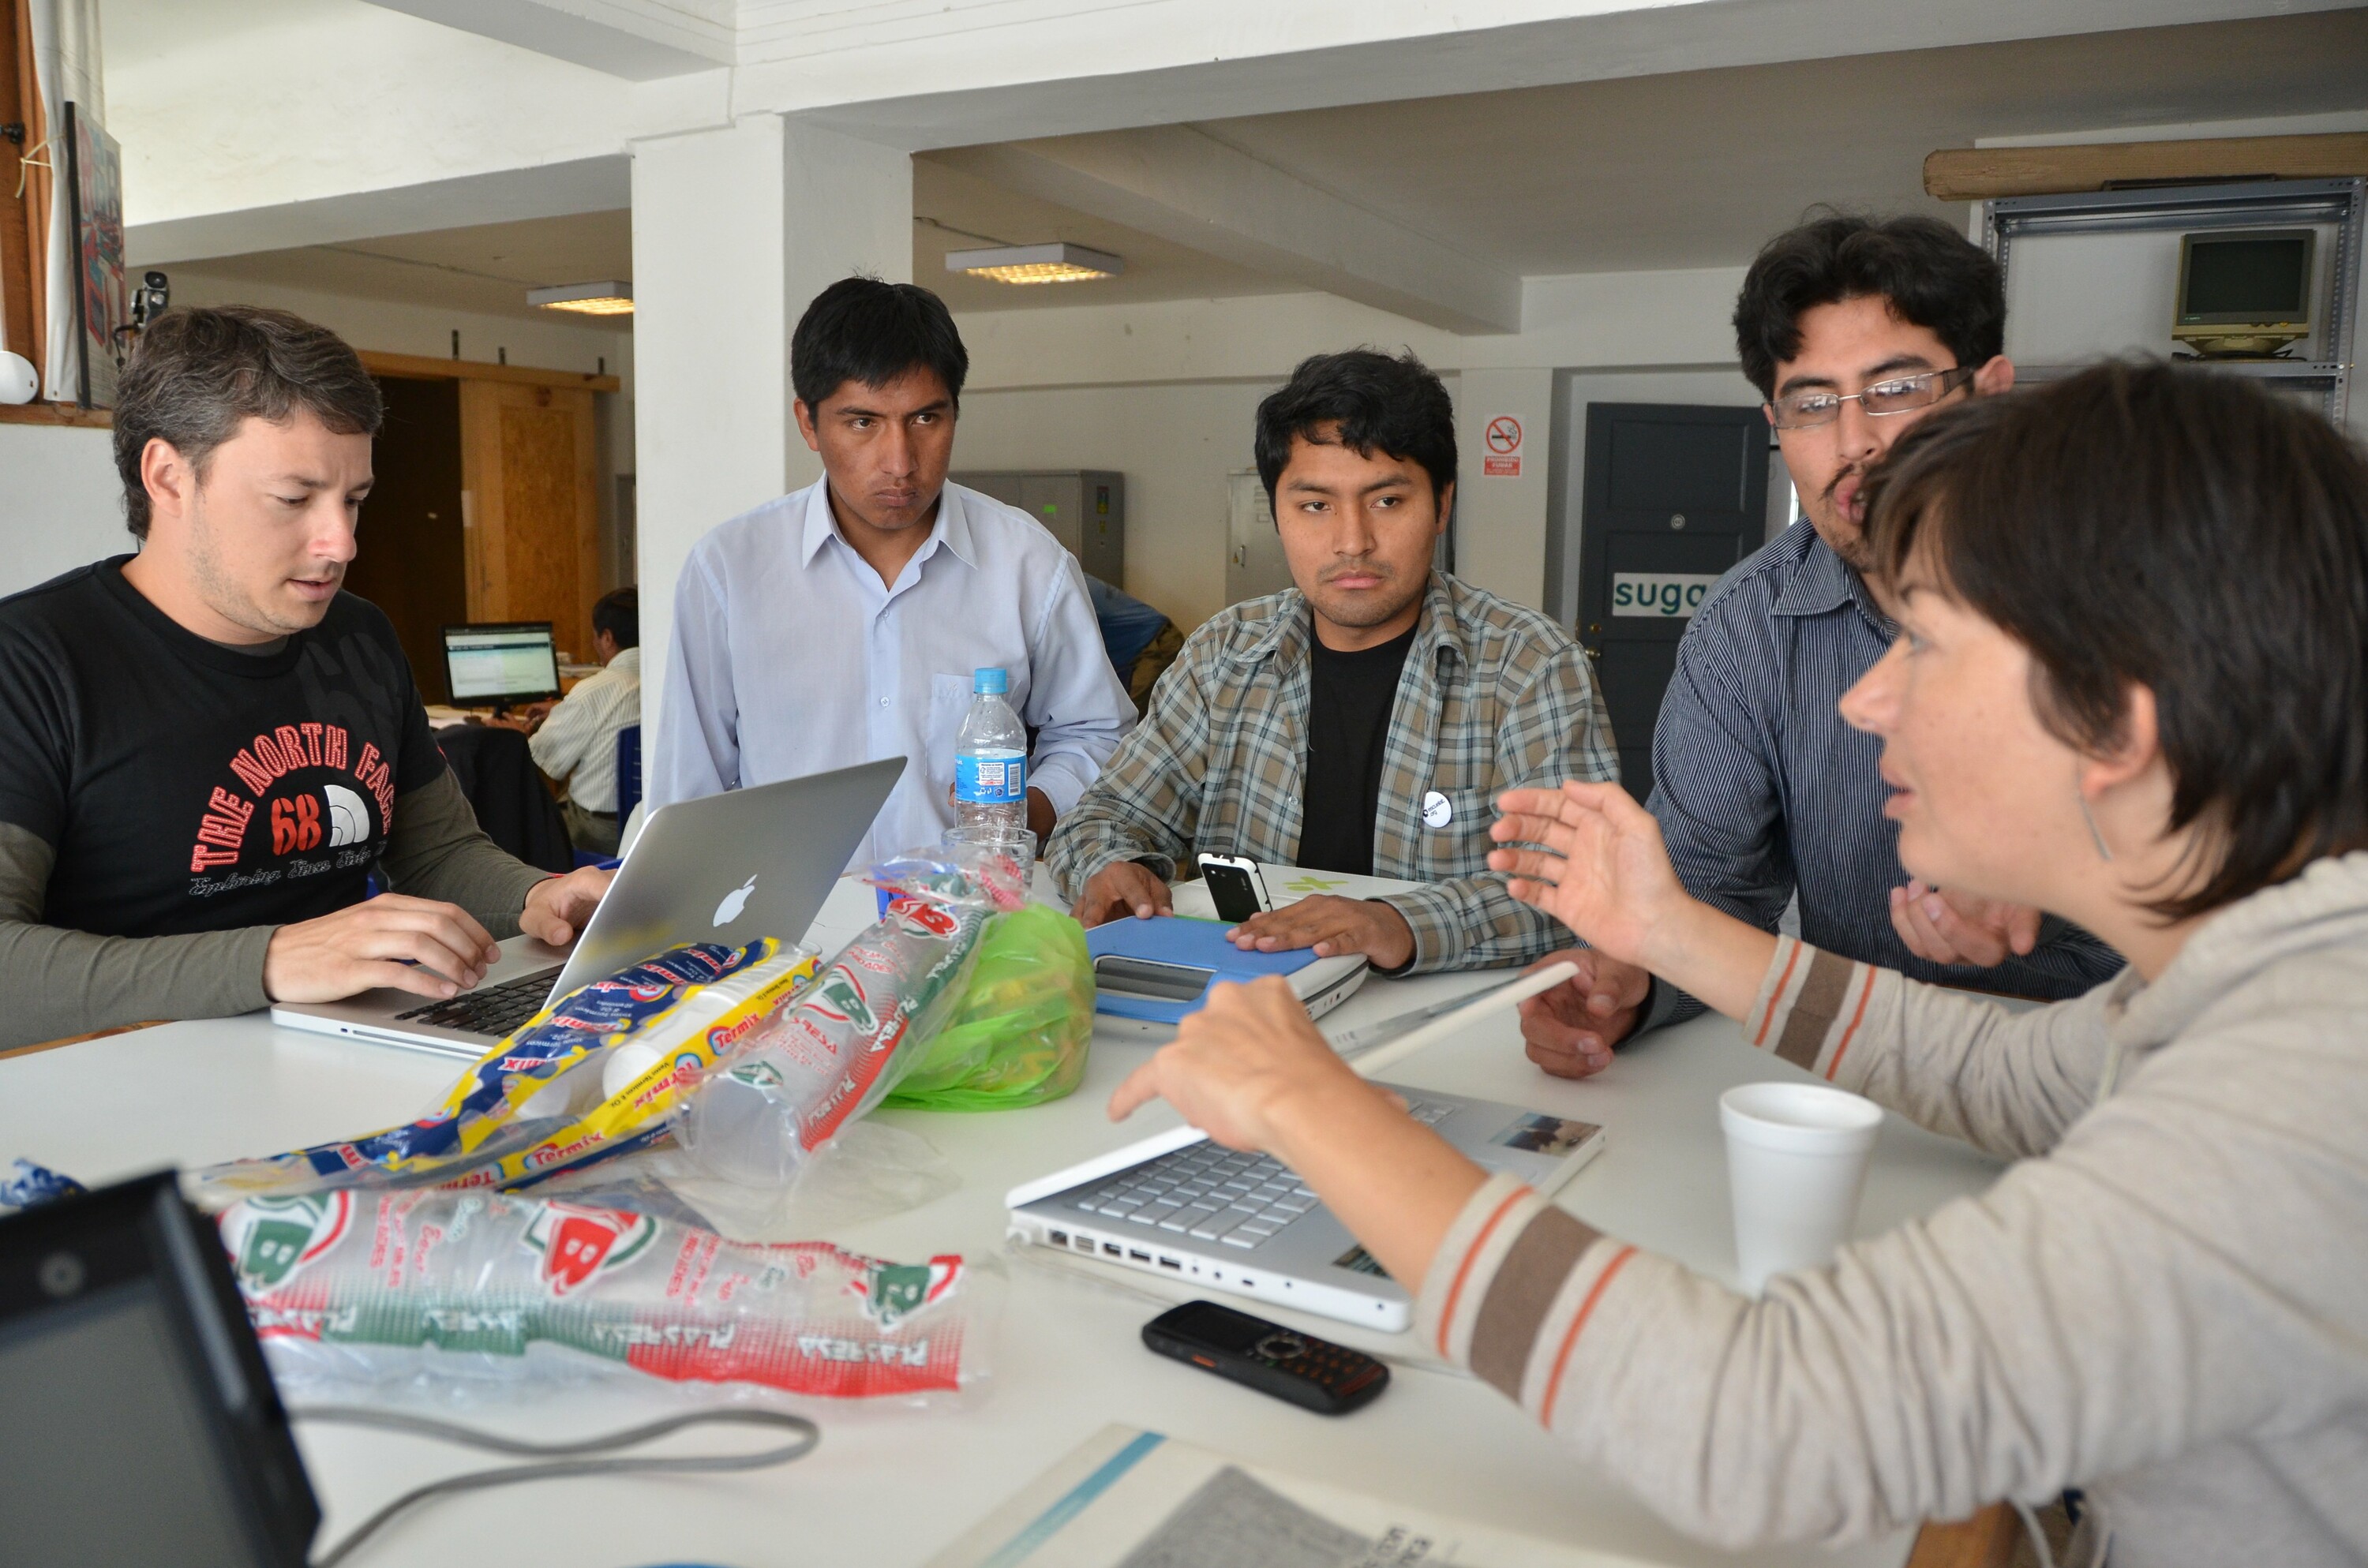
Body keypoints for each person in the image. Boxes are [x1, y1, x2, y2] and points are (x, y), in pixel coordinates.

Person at [1108, 364, 2368, 1567]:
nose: (1867, 701)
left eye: (1922, 640)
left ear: (2116, 721)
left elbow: (1756, 1415)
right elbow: (2007, 1067)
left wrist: (1314, 1102)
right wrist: (1667, 929)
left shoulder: (2303, 1096)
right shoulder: (2267, 982)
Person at [1522, 215, 2123, 1079]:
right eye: (1812, 404)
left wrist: (2058, 874)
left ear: (1988, 394)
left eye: (1895, 388)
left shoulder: (2131, 587)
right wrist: (1631, 984)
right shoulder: (1747, 622)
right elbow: (1704, 889)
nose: (1855, 443)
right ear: (1776, 420)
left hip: (2097, 1066)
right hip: (1840, 1058)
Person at [0, 307, 613, 1051]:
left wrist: (537, 894)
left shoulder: (357, 635)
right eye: (295, 499)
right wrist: (269, 959)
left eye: (353, 500)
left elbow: (437, 855)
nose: (342, 542)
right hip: (127, 1078)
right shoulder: (31, 662)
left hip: (347, 1053)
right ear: (167, 477)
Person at [1047, 350, 1617, 974]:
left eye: (1388, 502)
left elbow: (1575, 888)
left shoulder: (1529, 665)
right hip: (1247, 1006)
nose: (1352, 541)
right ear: (1277, 513)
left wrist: (1395, 923)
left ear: (1442, 505)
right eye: (1316, 505)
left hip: (1446, 1034)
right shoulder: (1224, 655)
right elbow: (1106, 815)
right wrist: (1110, 865)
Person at [650, 278, 1133, 867]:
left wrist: (1033, 804)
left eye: (926, 419)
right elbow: (689, 795)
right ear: (808, 423)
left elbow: (1097, 733)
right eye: (862, 423)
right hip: (791, 935)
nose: (900, 462)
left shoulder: (1026, 563)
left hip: (973, 921)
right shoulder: (728, 572)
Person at [497, 586, 641, 856]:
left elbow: (541, 757)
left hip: (597, 831)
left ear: (607, 638)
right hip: (645, 823)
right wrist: (565, 709)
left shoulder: (594, 690)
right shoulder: (661, 676)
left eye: (596, 638)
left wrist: (517, 734)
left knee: (515, 829)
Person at [1084, 574, 1182, 709]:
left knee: (1131, 718)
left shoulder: (1078, 595)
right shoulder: (1078, 579)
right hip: (1150, 642)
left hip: (1156, 644)